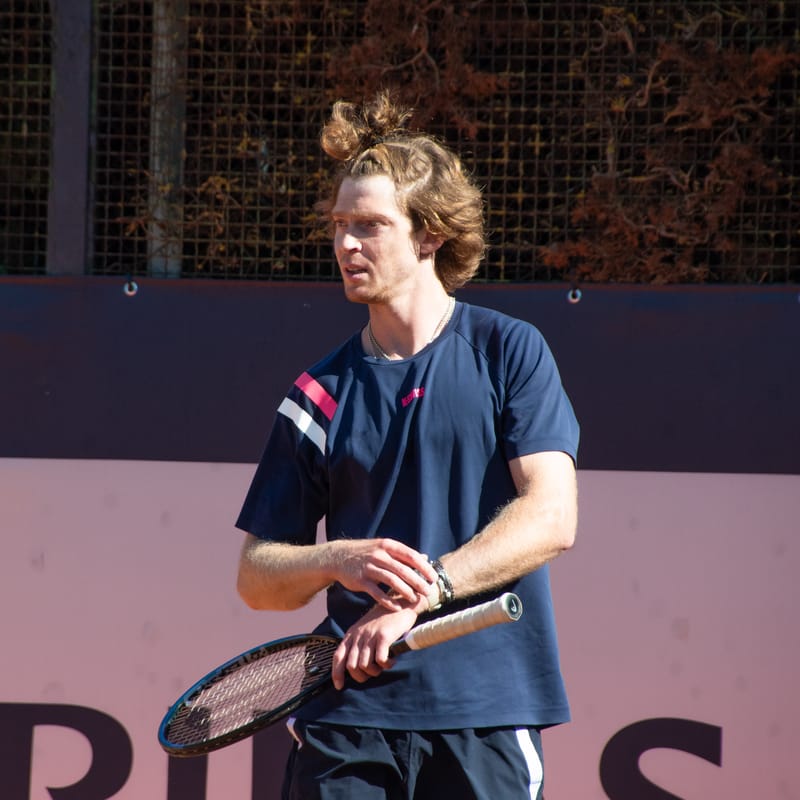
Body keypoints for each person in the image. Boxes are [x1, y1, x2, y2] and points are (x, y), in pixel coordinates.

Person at [235, 91, 579, 800]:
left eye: (370, 226)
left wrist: (423, 594)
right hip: (345, 719)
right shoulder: (319, 392)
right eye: (339, 225)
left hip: (486, 715)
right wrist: (339, 558)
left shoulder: (507, 351)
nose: (345, 244)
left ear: (428, 237)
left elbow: (552, 517)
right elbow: (256, 578)